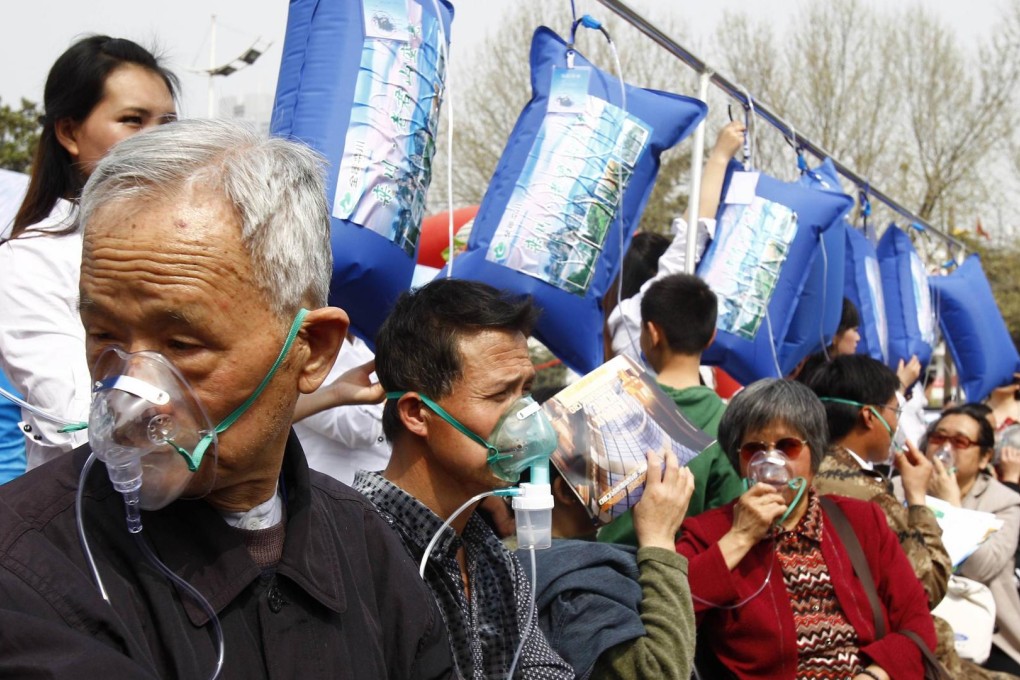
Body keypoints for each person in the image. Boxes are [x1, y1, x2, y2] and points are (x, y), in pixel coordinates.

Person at [0, 119, 454, 679]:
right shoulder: (25, 567)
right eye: (105, 337)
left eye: (182, 345)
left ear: (311, 350)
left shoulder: (367, 547)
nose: (133, 393)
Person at [353, 278, 574, 679]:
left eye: (526, 391)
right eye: (499, 395)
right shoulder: (350, 548)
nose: (527, 417)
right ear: (417, 414)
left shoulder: (490, 555)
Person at [677, 379, 937, 679]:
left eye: (787, 446)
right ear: (739, 459)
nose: (771, 461)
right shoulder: (709, 532)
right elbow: (672, 612)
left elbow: (916, 620)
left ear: (814, 452)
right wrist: (740, 537)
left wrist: (876, 675)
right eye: (754, 449)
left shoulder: (862, 520)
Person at [0, 36, 178, 469]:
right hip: (91, 513)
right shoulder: (30, 260)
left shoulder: (190, 243)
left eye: (167, 123)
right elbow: (80, 420)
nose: (154, 140)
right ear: (68, 132)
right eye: (132, 120)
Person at [806, 357, 1015, 678]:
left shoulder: (802, 470)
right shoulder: (870, 492)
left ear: (986, 455)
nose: (897, 425)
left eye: (960, 442)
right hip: (874, 656)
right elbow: (923, 590)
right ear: (869, 416)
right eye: (895, 411)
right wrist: (918, 502)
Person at [598, 272, 742, 546]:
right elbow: (725, 518)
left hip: (605, 571)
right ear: (711, 337)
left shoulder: (612, 402)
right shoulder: (728, 423)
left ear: (652, 333)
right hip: (683, 576)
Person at [529, 449, 696, 680]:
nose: (628, 478)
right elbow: (659, 672)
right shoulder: (574, 594)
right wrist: (659, 540)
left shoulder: (516, 555)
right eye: (610, 469)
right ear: (567, 490)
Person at [918, 405, 1020, 673]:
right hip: (916, 623)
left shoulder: (1005, 503)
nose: (946, 449)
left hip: (987, 635)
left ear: (985, 457)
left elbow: (980, 568)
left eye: (960, 442)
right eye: (939, 438)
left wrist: (951, 508)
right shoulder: (900, 486)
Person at [292, 335, 389, 485]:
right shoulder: (305, 344)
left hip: (380, 493)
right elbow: (361, 429)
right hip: (325, 497)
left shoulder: (364, 344)